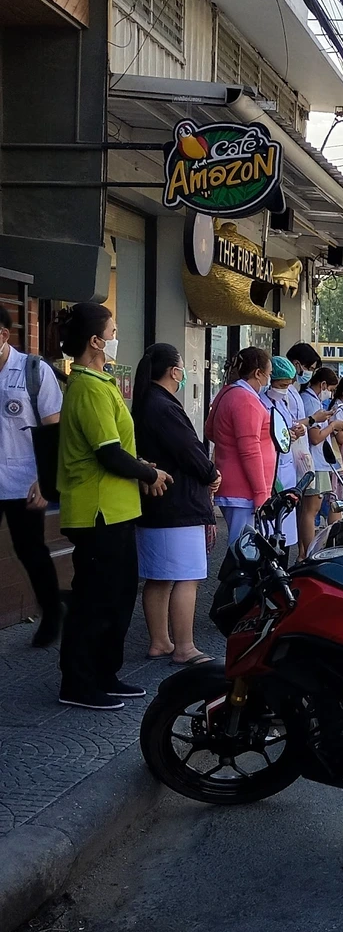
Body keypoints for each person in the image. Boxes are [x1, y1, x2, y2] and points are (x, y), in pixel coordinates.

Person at [56, 302, 171, 711]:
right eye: (112, 330)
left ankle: (105, 673)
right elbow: (107, 452)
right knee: (96, 600)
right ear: (95, 341)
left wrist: (142, 467)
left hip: (117, 510)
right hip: (96, 511)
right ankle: (79, 682)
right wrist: (148, 474)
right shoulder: (86, 386)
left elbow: (119, 449)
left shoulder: (100, 383)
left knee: (118, 597)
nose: (116, 337)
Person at [132, 343, 220, 665]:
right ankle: (184, 646)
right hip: (177, 504)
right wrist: (211, 473)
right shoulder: (164, 406)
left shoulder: (145, 403)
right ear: (174, 371)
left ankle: (160, 641)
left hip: (156, 505)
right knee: (186, 576)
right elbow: (189, 450)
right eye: (182, 368)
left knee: (159, 577)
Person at [0, 305, 63, 646]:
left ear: (3, 336)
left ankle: (52, 612)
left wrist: (45, 480)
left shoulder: (32, 371)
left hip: (25, 481)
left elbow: (53, 431)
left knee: (30, 550)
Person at [205, 346, 275, 546]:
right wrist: (261, 494)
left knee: (243, 547)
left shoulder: (227, 393)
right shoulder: (246, 400)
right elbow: (249, 449)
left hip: (235, 485)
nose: (268, 380)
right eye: (268, 375)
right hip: (244, 489)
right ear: (258, 373)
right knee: (242, 551)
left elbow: (210, 431)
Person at [289, 355, 339, 558]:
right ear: (324, 384)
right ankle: (307, 553)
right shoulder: (310, 401)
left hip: (316, 461)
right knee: (310, 510)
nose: (331, 394)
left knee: (311, 510)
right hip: (313, 462)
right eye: (332, 390)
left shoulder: (312, 399)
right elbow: (316, 437)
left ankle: (304, 552)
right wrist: (333, 426)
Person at [262, 355, 308, 549]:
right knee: (271, 531)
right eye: (281, 384)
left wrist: (297, 431)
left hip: (287, 467)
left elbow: (287, 425)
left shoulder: (282, 402)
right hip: (273, 470)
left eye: (288, 385)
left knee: (286, 532)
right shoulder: (262, 402)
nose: (284, 389)